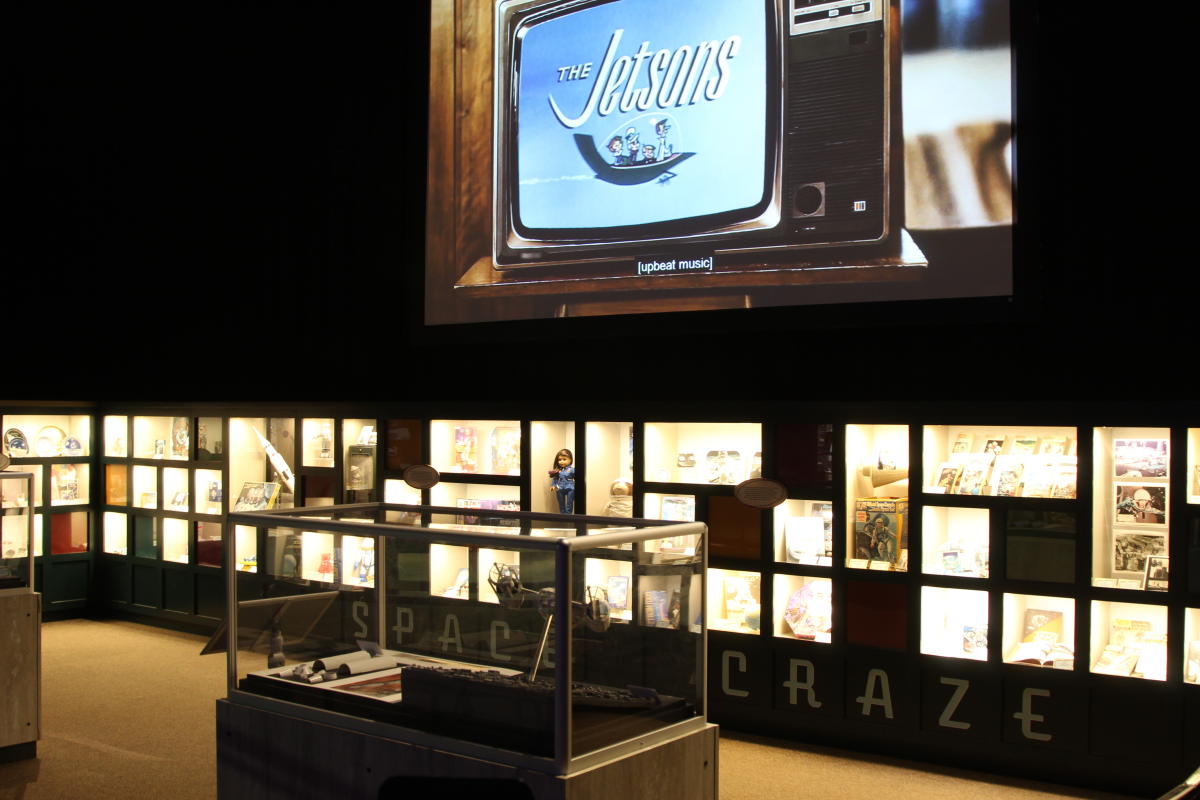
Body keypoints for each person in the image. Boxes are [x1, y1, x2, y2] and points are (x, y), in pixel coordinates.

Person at [548, 448, 576, 514]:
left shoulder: (572, 470)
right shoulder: (558, 470)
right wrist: (553, 485)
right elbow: (555, 479)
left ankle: (568, 515)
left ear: (570, 460)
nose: (561, 461)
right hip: (560, 487)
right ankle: (562, 514)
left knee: (569, 502)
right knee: (561, 503)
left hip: (570, 487)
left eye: (564, 459)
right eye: (560, 460)